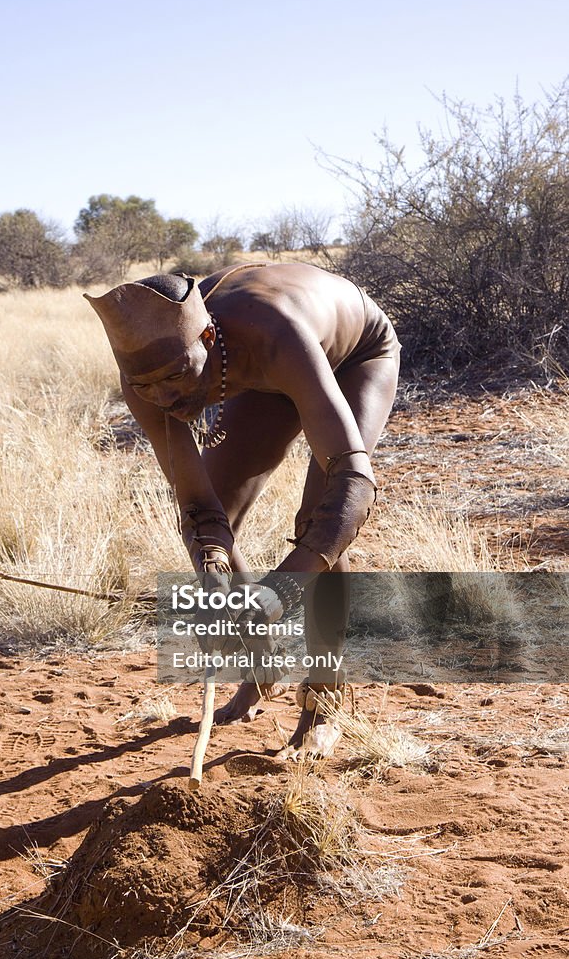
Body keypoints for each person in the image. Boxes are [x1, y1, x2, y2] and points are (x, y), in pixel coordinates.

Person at [85, 261, 400, 758]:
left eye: (173, 377)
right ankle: (261, 665)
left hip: (353, 354)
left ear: (207, 338)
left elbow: (354, 488)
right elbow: (198, 508)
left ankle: (327, 699)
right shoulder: (147, 375)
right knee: (220, 515)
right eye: (146, 387)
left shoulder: (273, 333)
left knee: (319, 515)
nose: (164, 398)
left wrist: (278, 594)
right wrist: (213, 567)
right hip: (256, 375)